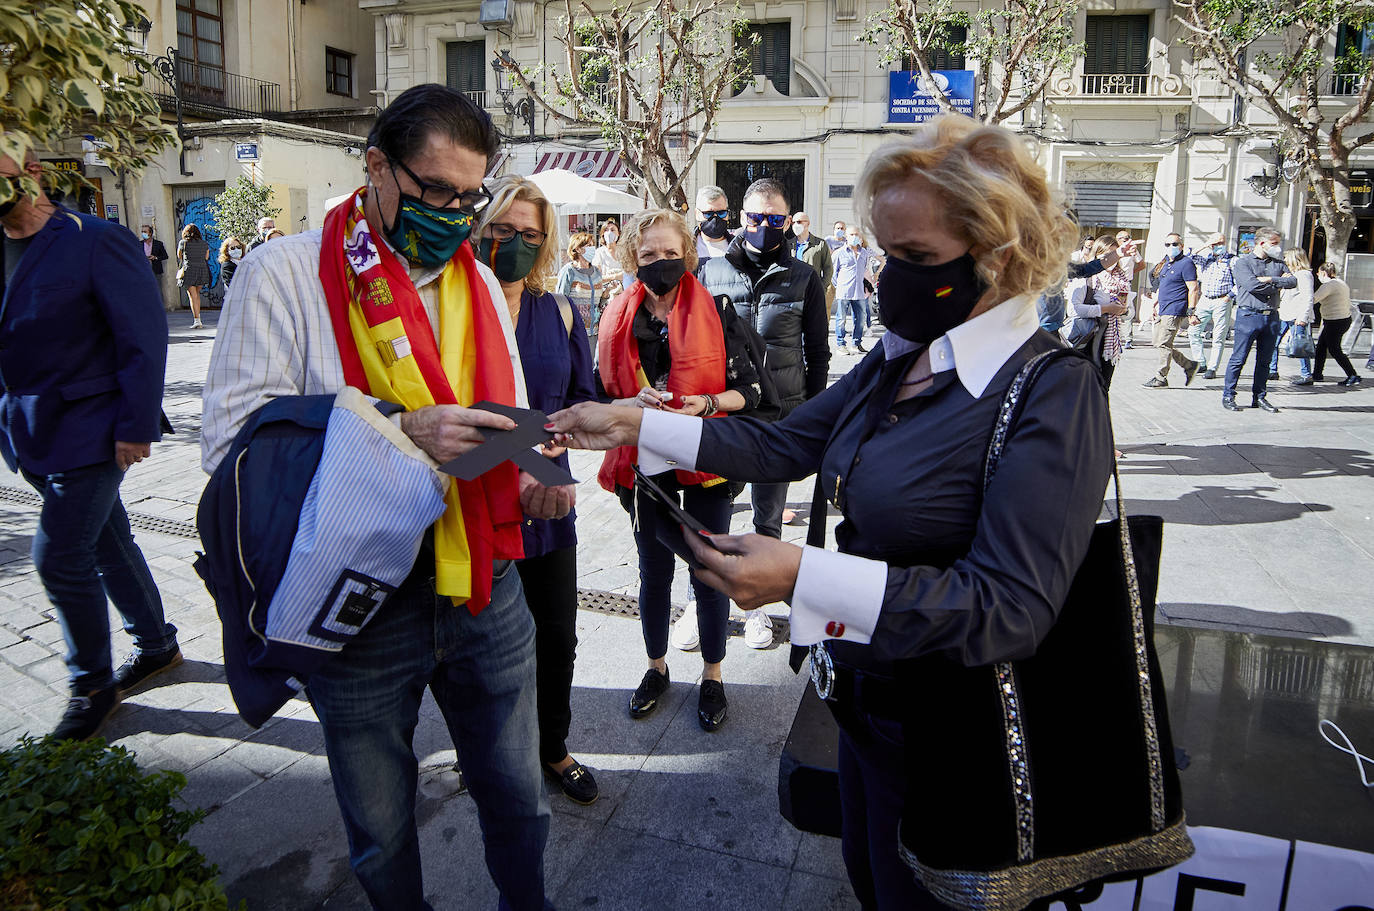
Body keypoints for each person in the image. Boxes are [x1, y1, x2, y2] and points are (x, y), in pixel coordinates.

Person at [548, 115, 1112, 910]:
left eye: (915, 258)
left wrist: (803, 576)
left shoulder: (1052, 391)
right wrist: (636, 422)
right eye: (884, 254)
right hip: (860, 706)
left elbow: (1009, 608)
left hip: (954, 739)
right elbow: (786, 442)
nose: (887, 281)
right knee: (866, 879)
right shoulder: (904, 354)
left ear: (1001, 255)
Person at [202, 84, 568, 911]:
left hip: (484, 581)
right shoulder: (284, 273)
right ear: (376, 165)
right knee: (380, 824)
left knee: (518, 793)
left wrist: (542, 463)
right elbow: (231, 446)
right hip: (360, 602)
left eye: (469, 196)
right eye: (435, 190)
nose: (454, 213)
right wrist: (401, 431)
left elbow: (505, 409)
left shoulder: (476, 282)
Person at [0, 150, 179, 741]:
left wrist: (135, 425)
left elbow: (144, 336)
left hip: (93, 428)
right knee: (108, 538)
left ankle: (93, 685)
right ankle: (157, 646)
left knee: (59, 556)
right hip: (26, 429)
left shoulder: (93, 238)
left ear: (28, 168)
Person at [593, 207, 766, 732]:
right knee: (654, 570)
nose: (660, 263)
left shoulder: (718, 309)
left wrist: (707, 404)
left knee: (709, 568)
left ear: (687, 255)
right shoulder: (619, 316)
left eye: (671, 253)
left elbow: (757, 393)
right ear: (632, 259)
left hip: (706, 456)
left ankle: (713, 674)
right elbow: (601, 393)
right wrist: (629, 404)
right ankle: (656, 667)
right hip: (645, 460)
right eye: (648, 255)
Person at [475, 176, 601, 805]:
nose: (515, 243)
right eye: (503, 230)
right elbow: (449, 411)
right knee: (487, 646)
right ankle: (498, 756)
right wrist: (530, 447)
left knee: (557, 634)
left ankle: (552, 747)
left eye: (529, 234)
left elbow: (583, 397)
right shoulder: (452, 310)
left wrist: (563, 443)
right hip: (476, 500)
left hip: (549, 494)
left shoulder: (560, 311)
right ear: (481, 228)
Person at [696, 177, 830, 648]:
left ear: (788, 222)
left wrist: (815, 418)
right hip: (726, 417)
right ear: (741, 219)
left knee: (767, 519)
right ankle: (704, 598)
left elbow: (818, 351)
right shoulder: (709, 272)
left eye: (776, 220)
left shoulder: (804, 277)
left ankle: (759, 607)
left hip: (783, 420)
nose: (765, 227)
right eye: (756, 218)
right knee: (712, 517)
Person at [1223, 226, 1296, 412]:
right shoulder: (1243, 263)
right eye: (1274, 244)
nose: (1278, 247)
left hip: (1271, 317)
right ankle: (1229, 395)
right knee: (1239, 358)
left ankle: (1260, 397)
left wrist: (1268, 279)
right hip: (1249, 315)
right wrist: (1276, 282)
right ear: (1262, 243)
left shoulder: (1277, 263)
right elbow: (1252, 286)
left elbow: (1292, 281)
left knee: (1265, 360)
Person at [1142, 233, 1200, 388]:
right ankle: (1189, 365)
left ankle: (1161, 377)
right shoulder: (1167, 263)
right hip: (1163, 307)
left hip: (1175, 308)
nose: (1171, 247)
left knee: (1164, 342)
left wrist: (1192, 311)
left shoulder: (1186, 263)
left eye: (1174, 244)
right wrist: (1155, 304)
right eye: (1167, 244)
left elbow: (1193, 288)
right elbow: (1163, 286)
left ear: (1181, 245)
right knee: (1159, 342)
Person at [1071, 236, 1129, 388]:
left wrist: (1123, 310)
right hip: (1088, 338)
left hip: (1110, 341)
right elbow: (1075, 309)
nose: (1111, 260)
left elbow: (1129, 313)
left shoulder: (1121, 278)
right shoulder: (1087, 278)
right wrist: (1106, 309)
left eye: (1114, 254)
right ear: (1097, 256)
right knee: (1087, 388)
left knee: (1104, 387)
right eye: (1105, 256)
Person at [1189, 232, 1235, 380]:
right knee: (1193, 331)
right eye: (1215, 243)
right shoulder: (1207, 260)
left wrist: (1229, 297)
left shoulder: (1232, 260)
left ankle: (1212, 367)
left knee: (1218, 336)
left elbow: (1240, 281)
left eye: (1221, 243)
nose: (1218, 246)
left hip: (1221, 300)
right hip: (1205, 299)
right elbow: (1189, 258)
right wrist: (1205, 244)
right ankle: (1201, 362)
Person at [1311, 260, 1362, 386]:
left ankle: (1353, 374)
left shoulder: (1328, 285)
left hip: (1335, 321)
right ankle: (1317, 374)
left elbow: (1313, 299)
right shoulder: (1340, 282)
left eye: (1318, 273)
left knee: (1334, 349)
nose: (1317, 276)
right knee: (1321, 347)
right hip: (1340, 320)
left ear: (1323, 273)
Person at [555, 231, 605, 345]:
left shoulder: (597, 273)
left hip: (595, 333)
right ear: (577, 249)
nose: (593, 249)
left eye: (593, 245)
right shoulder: (568, 271)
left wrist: (605, 295)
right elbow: (560, 302)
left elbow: (599, 302)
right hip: (575, 333)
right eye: (589, 246)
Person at [833, 226, 877, 354]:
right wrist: (840, 286)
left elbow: (864, 269)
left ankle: (856, 344)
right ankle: (841, 345)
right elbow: (833, 274)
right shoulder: (839, 253)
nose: (854, 237)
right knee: (841, 319)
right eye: (851, 234)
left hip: (859, 292)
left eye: (857, 235)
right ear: (846, 236)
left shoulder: (864, 253)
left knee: (861, 318)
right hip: (844, 292)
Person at [1273, 249, 1314, 385]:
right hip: (1284, 313)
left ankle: (1306, 374)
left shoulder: (1304, 275)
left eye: (1286, 257)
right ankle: (1272, 369)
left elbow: (1308, 296)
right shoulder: (1290, 274)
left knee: (1300, 344)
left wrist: (1303, 317)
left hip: (1296, 314)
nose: (1284, 260)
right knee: (1274, 341)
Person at [792, 210, 835, 319]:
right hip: (793, 291)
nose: (796, 225)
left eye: (799, 222)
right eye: (794, 222)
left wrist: (822, 287)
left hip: (812, 290)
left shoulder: (819, 244)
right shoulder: (789, 244)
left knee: (813, 321)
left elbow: (828, 267)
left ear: (808, 223)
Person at [176, 223, 210, 330]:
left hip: (189, 269)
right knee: (197, 294)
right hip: (202, 270)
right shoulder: (204, 243)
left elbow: (179, 256)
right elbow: (207, 257)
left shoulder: (183, 243)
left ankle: (197, 320)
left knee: (192, 296)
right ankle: (198, 319)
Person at [693, 185, 734, 262]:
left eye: (721, 213)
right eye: (709, 213)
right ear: (697, 214)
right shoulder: (685, 249)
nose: (715, 219)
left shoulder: (739, 248)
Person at [591, 218, 628, 294]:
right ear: (602, 234)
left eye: (612, 230)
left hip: (623, 292)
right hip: (606, 293)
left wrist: (609, 276)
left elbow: (629, 274)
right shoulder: (599, 252)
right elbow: (597, 278)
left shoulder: (624, 252)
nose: (609, 233)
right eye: (606, 230)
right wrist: (616, 276)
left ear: (618, 233)